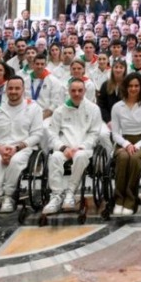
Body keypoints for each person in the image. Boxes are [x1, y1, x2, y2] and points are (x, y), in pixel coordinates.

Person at [0, 75, 45, 214]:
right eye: (10, 88)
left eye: (17, 88)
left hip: (23, 148)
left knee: (15, 161)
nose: (13, 91)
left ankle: (9, 196)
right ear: (6, 90)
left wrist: (17, 148)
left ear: (23, 90)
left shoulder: (33, 108)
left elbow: (37, 134)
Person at [42, 77, 105, 215]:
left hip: (83, 148)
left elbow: (94, 133)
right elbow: (52, 134)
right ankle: (56, 196)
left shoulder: (93, 109)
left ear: (85, 91)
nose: (77, 93)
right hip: (64, 148)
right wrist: (63, 148)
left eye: (80, 90)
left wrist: (82, 147)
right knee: (54, 158)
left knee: (81, 156)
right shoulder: (60, 111)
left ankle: (70, 192)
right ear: (68, 91)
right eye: (73, 91)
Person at [109, 72, 141, 216]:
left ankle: (130, 200)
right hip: (124, 141)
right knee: (123, 158)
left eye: (136, 86)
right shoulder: (117, 106)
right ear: (125, 87)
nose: (133, 88)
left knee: (135, 158)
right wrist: (126, 144)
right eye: (130, 86)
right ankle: (119, 199)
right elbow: (115, 133)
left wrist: (137, 145)